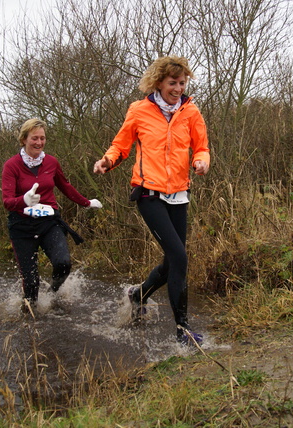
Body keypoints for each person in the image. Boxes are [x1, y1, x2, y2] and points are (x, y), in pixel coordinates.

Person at [93, 56, 210, 346]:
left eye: (182, 83)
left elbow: (202, 146)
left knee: (172, 264)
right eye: (172, 83)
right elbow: (121, 144)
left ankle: (137, 295)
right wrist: (108, 161)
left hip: (179, 194)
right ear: (159, 82)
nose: (178, 88)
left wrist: (201, 161)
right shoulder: (139, 110)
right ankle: (182, 330)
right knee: (179, 256)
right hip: (148, 193)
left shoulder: (191, 111)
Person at [2, 118, 102, 313]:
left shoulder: (51, 162)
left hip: (49, 222)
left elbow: (65, 186)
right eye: (34, 138)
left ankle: (53, 295)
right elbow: (7, 201)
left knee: (63, 263)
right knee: (31, 284)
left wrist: (86, 202)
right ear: (24, 139)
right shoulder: (11, 166)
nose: (39, 142)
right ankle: (29, 324)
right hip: (21, 226)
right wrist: (24, 200)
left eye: (42, 138)